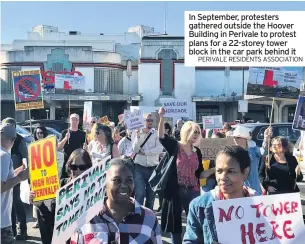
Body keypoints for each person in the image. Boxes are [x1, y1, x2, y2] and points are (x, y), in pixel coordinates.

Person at [70, 158, 163, 244]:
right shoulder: (86, 219)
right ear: (104, 183)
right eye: (117, 180)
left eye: (129, 180)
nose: (123, 185)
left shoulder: (149, 218)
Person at [183, 146, 257, 243]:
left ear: (245, 172)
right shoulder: (199, 206)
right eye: (219, 171)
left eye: (231, 171)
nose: (223, 177)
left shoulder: (262, 207)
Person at [158, 107, 204, 244]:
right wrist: (161, 118)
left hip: (193, 191)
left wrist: (216, 169)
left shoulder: (198, 151)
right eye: (194, 131)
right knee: (175, 224)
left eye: (198, 132)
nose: (196, 134)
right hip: (176, 190)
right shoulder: (175, 146)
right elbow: (161, 137)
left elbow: (200, 173)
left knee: (195, 221)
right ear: (186, 132)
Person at [29, 149, 92, 244]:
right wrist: (39, 204)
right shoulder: (61, 186)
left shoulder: (95, 187)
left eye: (82, 167)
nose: (78, 171)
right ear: (69, 167)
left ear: (88, 167)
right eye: (74, 167)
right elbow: (51, 217)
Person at [1, 123, 29, 244]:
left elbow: (6, 177)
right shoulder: (4, 156)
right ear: (13, 140)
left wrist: (18, 170)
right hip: (2, 221)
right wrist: (20, 177)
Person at [132, 114, 164, 210]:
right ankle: (137, 215)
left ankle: (148, 217)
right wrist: (137, 136)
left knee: (151, 195)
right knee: (139, 193)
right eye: (147, 120)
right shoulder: (136, 132)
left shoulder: (156, 133)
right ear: (142, 121)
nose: (150, 122)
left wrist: (145, 152)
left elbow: (159, 148)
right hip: (139, 167)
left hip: (153, 168)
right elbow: (135, 149)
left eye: (151, 120)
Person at [232, 124, 271, 195]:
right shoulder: (233, 153)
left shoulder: (253, 150)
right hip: (238, 189)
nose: (234, 139)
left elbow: (263, 152)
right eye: (234, 137)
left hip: (254, 188)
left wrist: (266, 138)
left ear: (245, 139)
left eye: (237, 137)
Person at [57, 114, 87, 179]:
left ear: (78, 121)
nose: (74, 121)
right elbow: (59, 148)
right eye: (72, 119)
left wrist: (85, 148)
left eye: (76, 119)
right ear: (69, 121)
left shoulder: (83, 134)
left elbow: (86, 149)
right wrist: (65, 138)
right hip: (67, 161)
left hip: (78, 162)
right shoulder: (64, 132)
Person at [32, 125, 49, 229]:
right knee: (36, 198)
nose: (39, 135)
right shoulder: (33, 145)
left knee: (46, 198)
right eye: (37, 133)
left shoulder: (48, 145)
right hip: (36, 174)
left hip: (46, 174)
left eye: (41, 133)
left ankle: (46, 218)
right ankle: (37, 220)